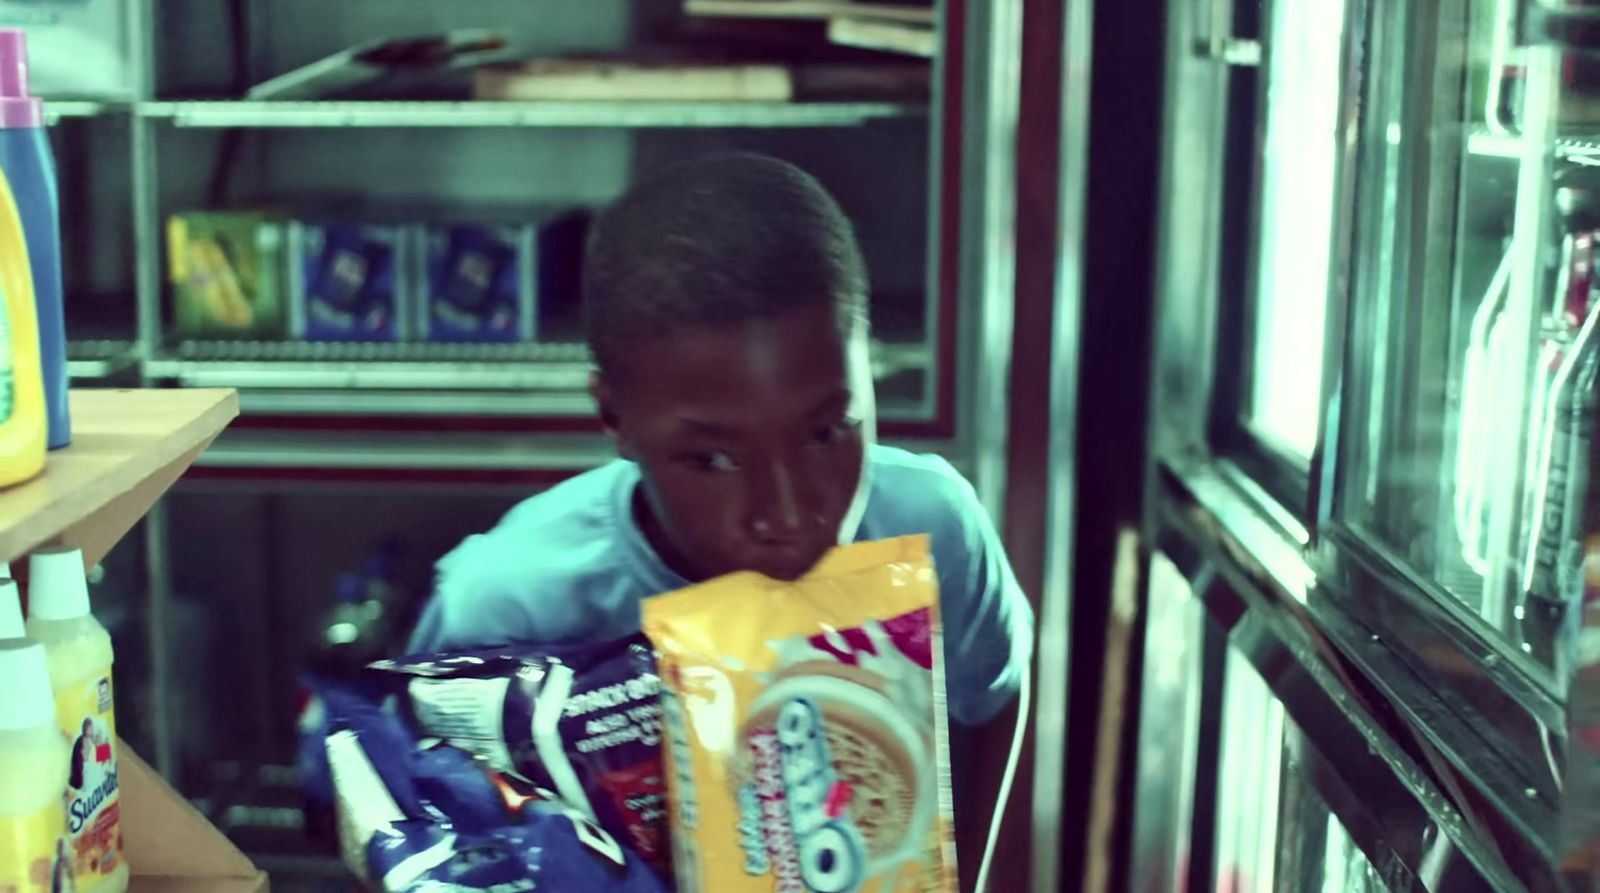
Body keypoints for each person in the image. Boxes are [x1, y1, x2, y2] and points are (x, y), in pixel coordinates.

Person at [409, 153, 1034, 852]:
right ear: (614, 417)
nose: (789, 516)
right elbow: (443, 832)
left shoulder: (933, 529)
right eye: (712, 459)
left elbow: (991, 697)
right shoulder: (509, 607)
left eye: (828, 431)